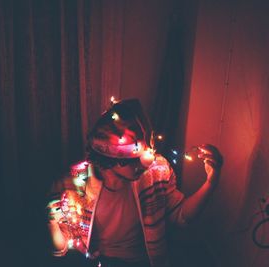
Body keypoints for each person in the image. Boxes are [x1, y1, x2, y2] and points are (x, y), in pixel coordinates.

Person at [46, 99, 223, 267]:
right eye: (133, 160)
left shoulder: (157, 171)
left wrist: (211, 182)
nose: (144, 165)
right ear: (110, 158)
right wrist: (52, 223)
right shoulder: (78, 182)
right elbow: (61, 249)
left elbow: (182, 217)